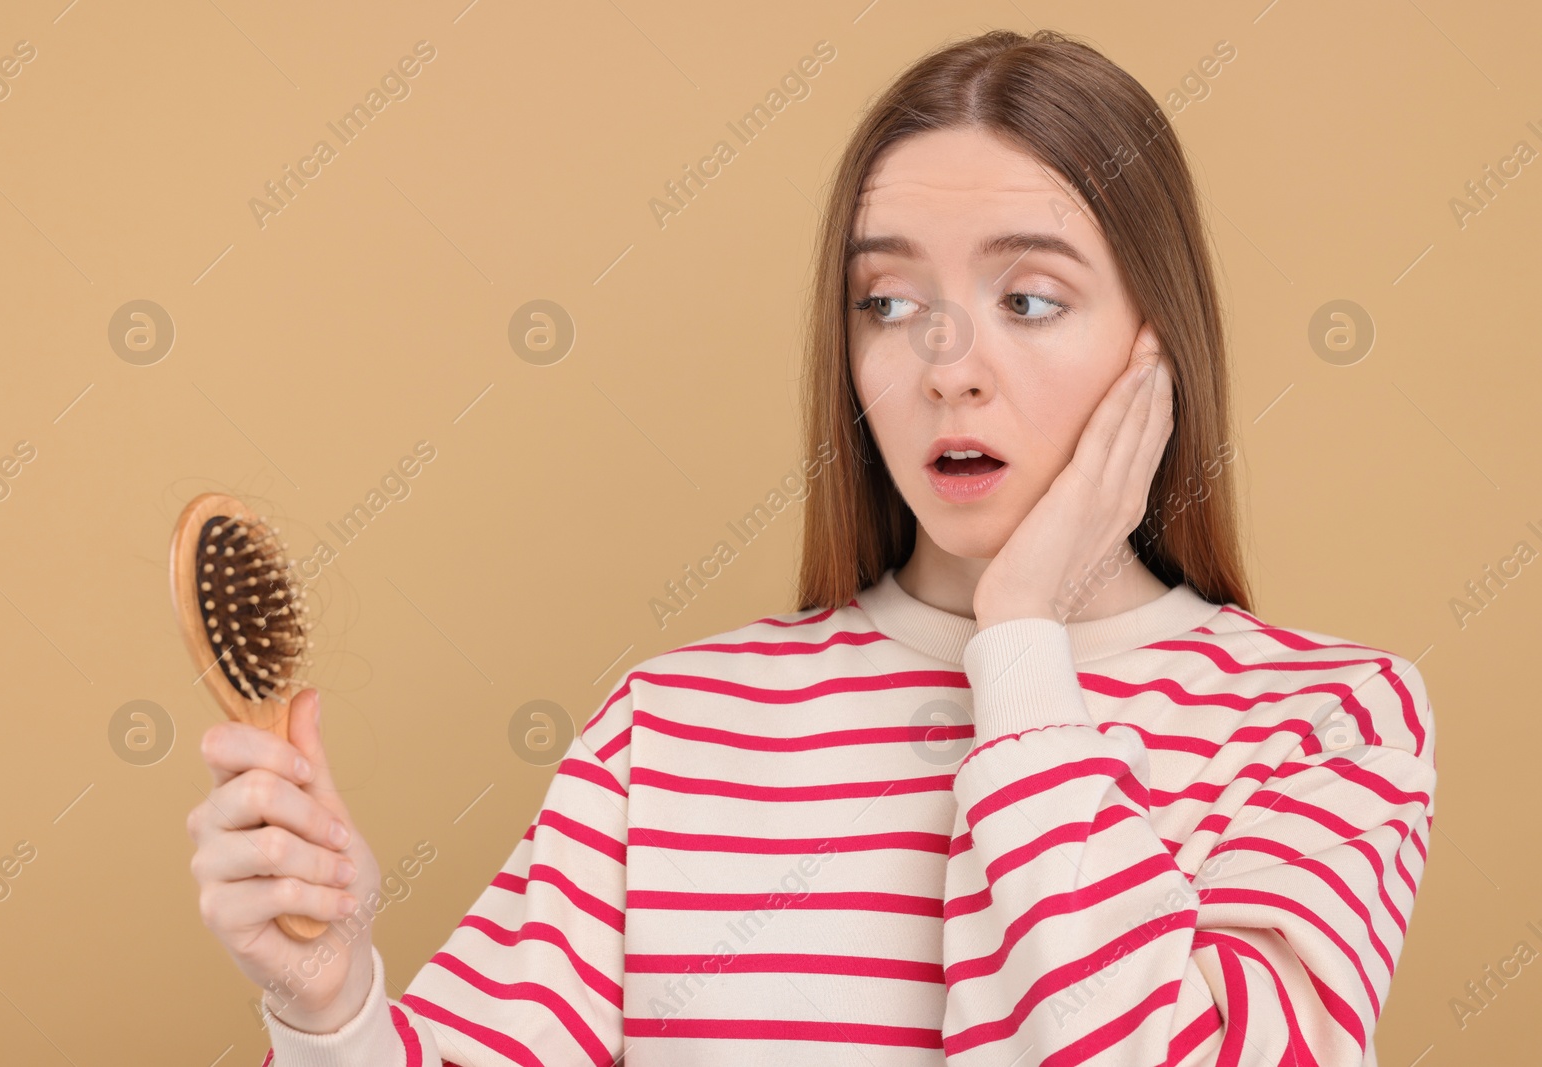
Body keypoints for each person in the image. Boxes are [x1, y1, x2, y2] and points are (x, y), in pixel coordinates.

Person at [187, 27, 1436, 1066]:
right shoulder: (671, 726)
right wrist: (329, 1003)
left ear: (1154, 348)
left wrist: (1020, 643)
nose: (949, 366)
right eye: (888, 304)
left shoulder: (1326, 718)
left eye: (1029, 299)